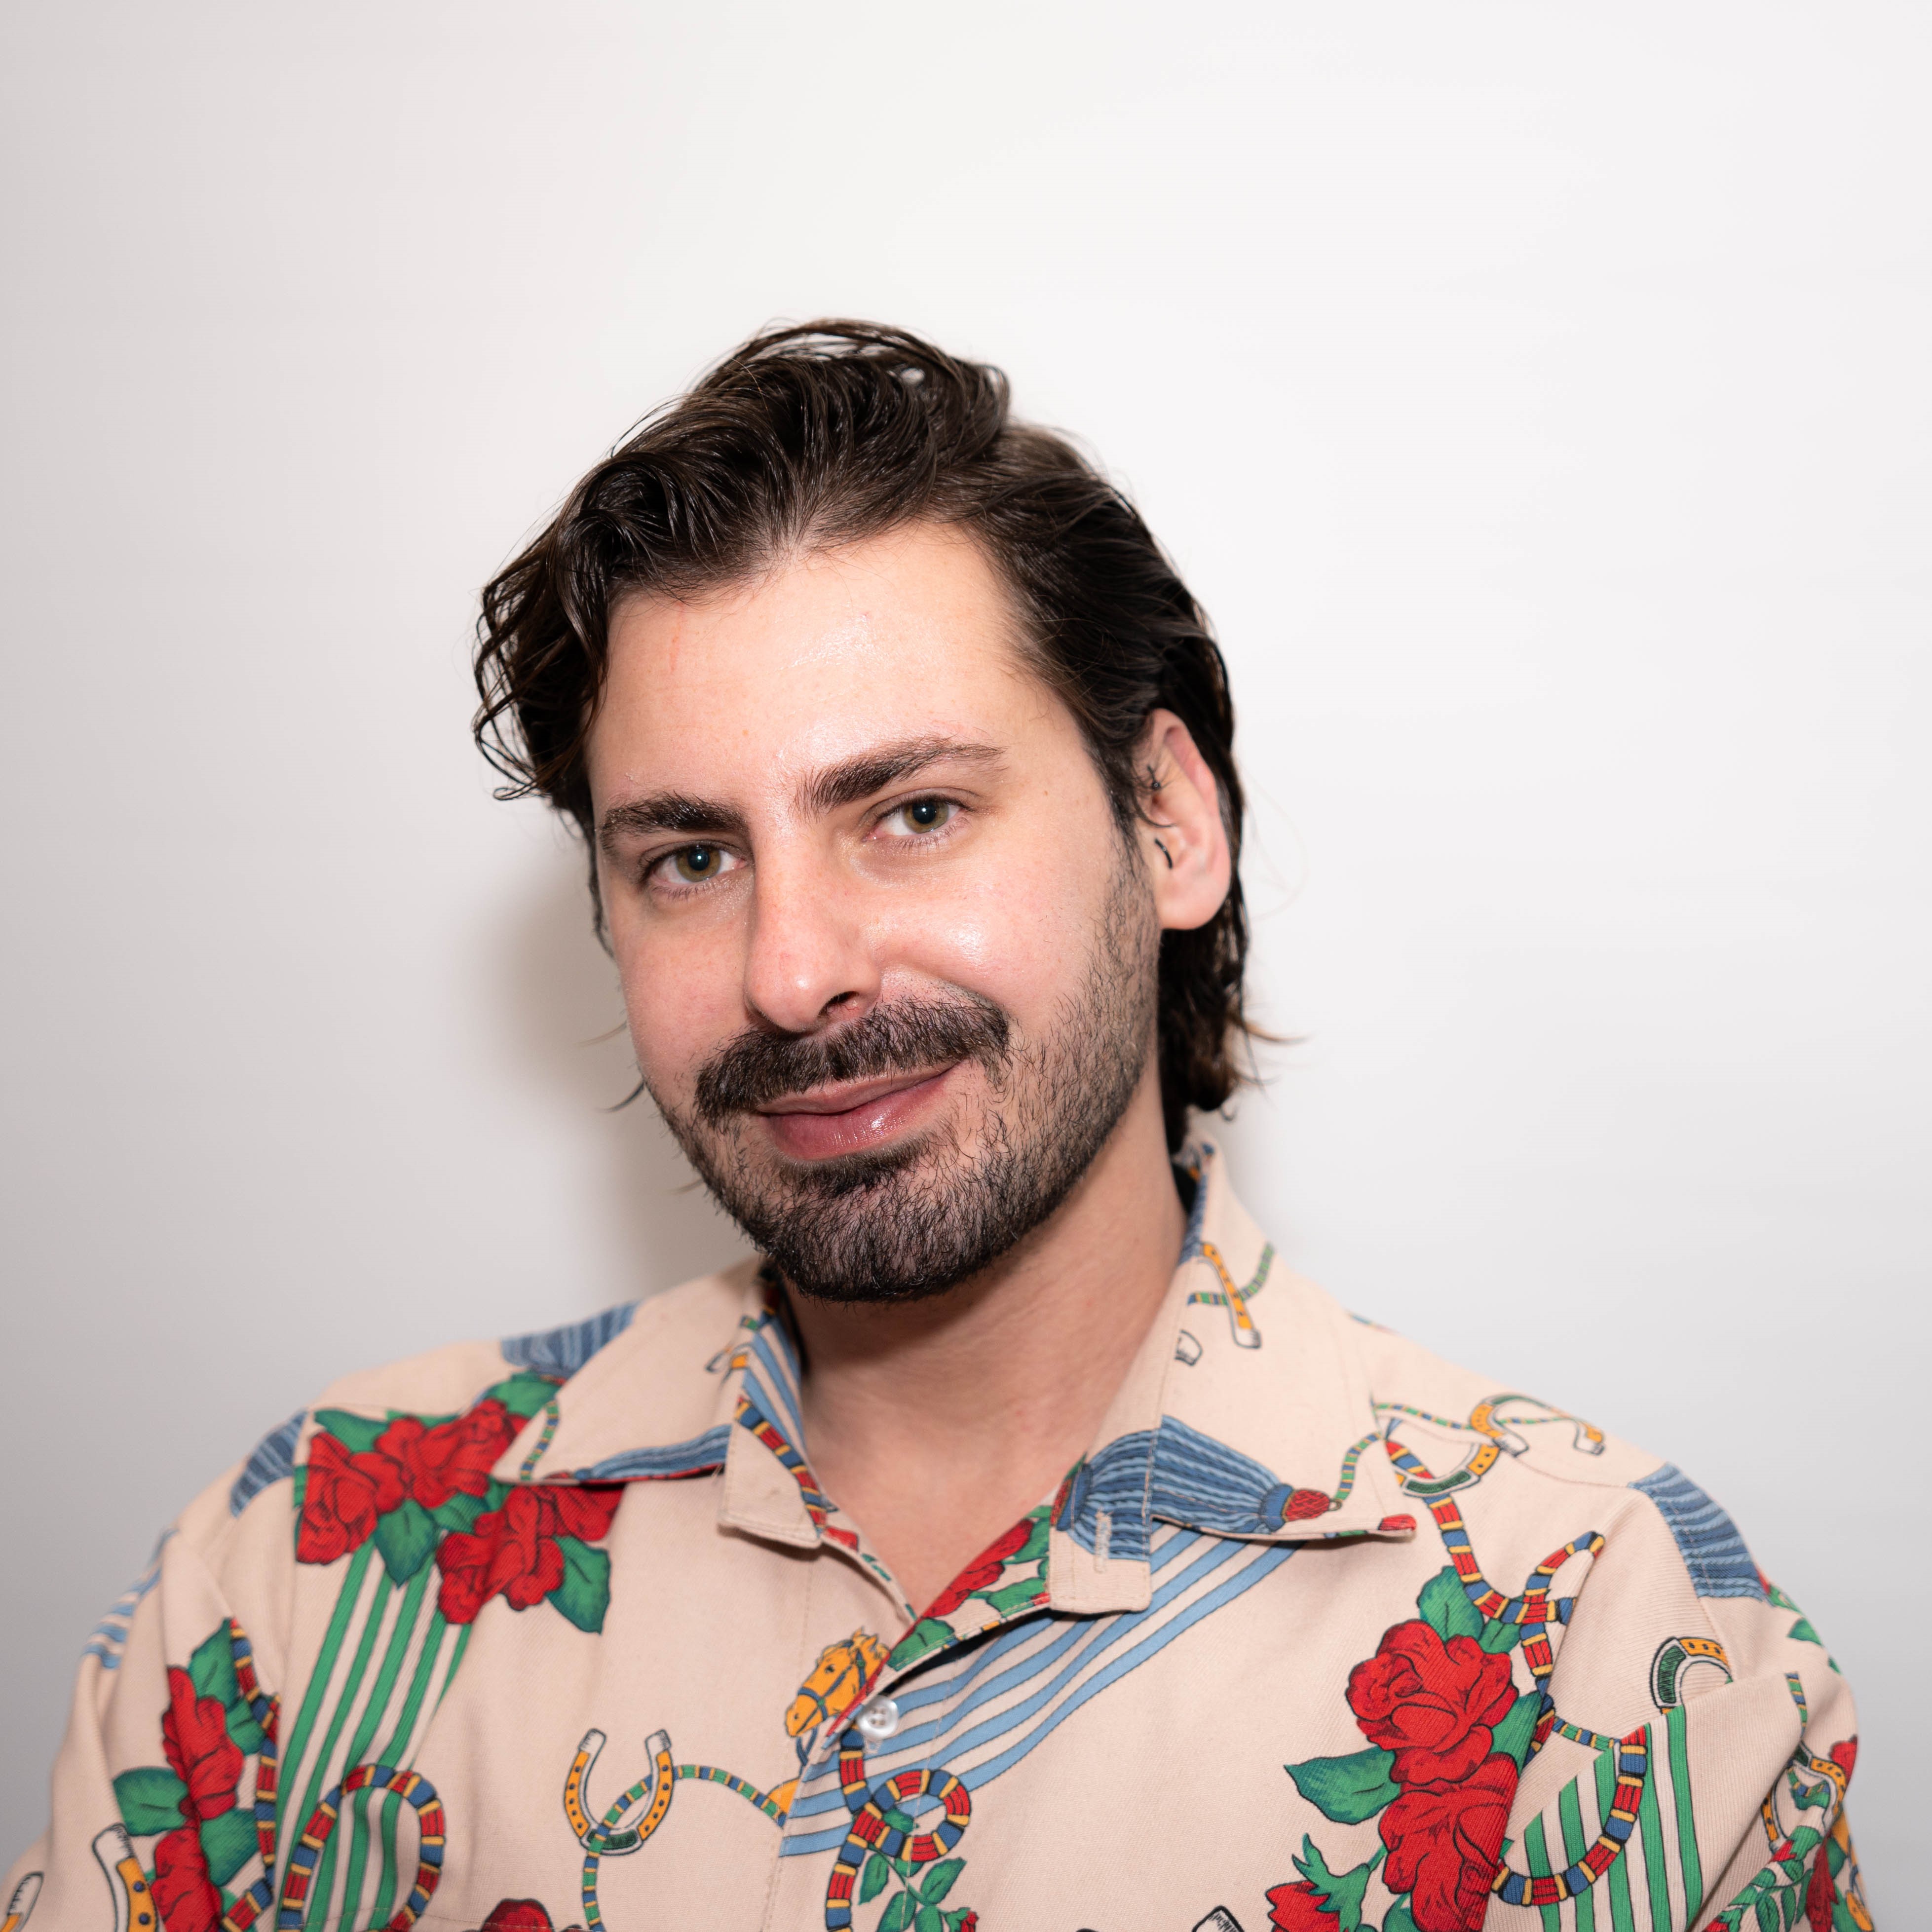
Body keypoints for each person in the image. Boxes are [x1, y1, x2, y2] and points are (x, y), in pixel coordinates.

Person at [6, 323, 1866, 1932]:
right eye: (690, 856)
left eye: (909, 813)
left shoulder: (1602, 1655)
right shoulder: (303, 1575)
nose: (791, 973)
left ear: (1169, 824)